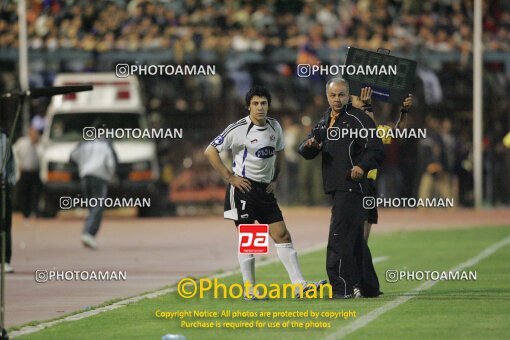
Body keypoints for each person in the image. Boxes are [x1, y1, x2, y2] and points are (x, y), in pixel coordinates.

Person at [204, 85, 326, 299]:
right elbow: (210, 151)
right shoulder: (238, 129)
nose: (260, 107)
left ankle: (300, 286)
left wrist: (275, 179)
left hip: (265, 190)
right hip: (243, 189)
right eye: (255, 103)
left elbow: (278, 153)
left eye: (263, 103)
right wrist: (230, 177)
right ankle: (249, 290)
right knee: (251, 238)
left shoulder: (275, 127)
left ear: (269, 105)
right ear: (248, 106)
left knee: (282, 234)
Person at [298, 78, 385, 298]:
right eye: (333, 95)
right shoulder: (326, 119)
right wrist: (310, 146)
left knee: (339, 237)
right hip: (336, 186)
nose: (337, 99)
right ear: (327, 97)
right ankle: (369, 287)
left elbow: (376, 148)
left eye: (341, 95)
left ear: (348, 95)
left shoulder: (358, 118)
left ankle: (341, 288)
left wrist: (361, 166)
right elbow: (306, 149)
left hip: (351, 186)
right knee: (354, 238)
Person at [351, 90, 413, 240]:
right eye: (359, 99)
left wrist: (404, 111)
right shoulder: (343, 126)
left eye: (365, 99)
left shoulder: (376, 130)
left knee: (364, 237)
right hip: (349, 186)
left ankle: (359, 261)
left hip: (369, 185)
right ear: (351, 102)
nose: (362, 101)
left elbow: (398, 133)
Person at [70, 128, 117, 249]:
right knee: (98, 205)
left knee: (92, 205)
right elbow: (111, 162)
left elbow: (72, 157)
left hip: (85, 176)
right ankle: (89, 233)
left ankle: (88, 231)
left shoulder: (84, 143)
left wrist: (82, 165)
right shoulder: (106, 145)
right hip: (100, 177)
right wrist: (111, 175)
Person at [13, 127, 41, 219]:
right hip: (25, 172)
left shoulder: (40, 144)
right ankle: (25, 213)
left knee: (35, 193)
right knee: (25, 193)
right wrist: (18, 163)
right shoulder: (22, 143)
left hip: (36, 172)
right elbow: (13, 151)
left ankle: (35, 212)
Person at [0, 128, 16, 273]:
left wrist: (10, 181)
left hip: (3, 187)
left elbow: (11, 165)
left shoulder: (5, 140)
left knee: (4, 223)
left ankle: (4, 259)